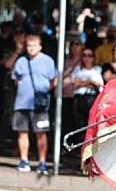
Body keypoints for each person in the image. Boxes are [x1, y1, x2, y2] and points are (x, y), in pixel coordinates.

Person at [11, 31, 57, 174]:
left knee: (41, 133)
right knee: (22, 132)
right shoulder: (21, 61)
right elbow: (16, 79)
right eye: (29, 46)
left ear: (40, 47)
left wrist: (44, 92)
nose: (31, 48)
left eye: (34, 46)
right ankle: (24, 160)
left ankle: (42, 162)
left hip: (40, 103)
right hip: (22, 102)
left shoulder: (48, 61)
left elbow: (53, 80)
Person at [61, 42, 103, 163]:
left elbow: (99, 85)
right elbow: (76, 84)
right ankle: (80, 152)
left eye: (90, 55)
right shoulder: (78, 70)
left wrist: (85, 83)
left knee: (91, 126)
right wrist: (89, 83)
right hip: (79, 99)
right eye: (84, 55)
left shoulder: (97, 69)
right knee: (80, 126)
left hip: (92, 99)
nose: (87, 58)